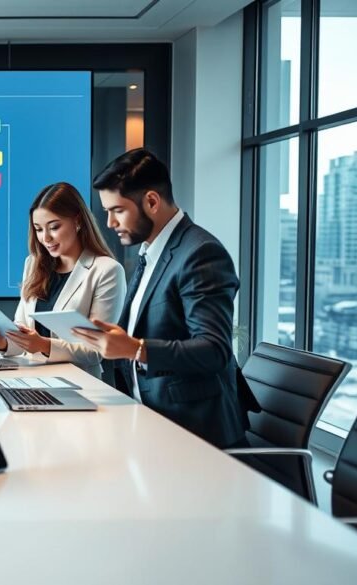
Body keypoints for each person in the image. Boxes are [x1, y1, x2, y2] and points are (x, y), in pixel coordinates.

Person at [71, 148, 248, 448]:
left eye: (117, 210)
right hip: (150, 421)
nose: (110, 224)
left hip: (194, 434)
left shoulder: (200, 254)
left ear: (151, 201)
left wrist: (137, 349)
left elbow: (215, 349)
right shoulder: (151, 254)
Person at [0, 182, 125, 379]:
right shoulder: (33, 264)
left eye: (54, 227)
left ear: (78, 221)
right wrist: (2, 342)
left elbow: (98, 349)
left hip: (82, 384)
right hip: (32, 379)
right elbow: (22, 329)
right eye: (38, 229)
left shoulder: (107, 270)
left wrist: (43, 345)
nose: (45, 238)